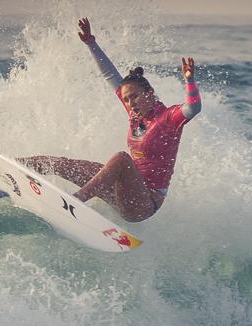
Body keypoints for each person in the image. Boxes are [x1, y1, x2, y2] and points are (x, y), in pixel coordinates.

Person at [17, 17, 202, 222]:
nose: (130, 103)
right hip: (123, 191)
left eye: (135, 97)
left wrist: (190, 81)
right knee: (65, 165)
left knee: (121, 158)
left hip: (144, 203)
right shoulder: (135, 113)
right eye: (126, 99)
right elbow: (109, 75)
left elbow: (193, 108)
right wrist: (90, 42)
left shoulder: (168, 118)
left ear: (149, 93)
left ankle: (75, 201)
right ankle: (14, 168)